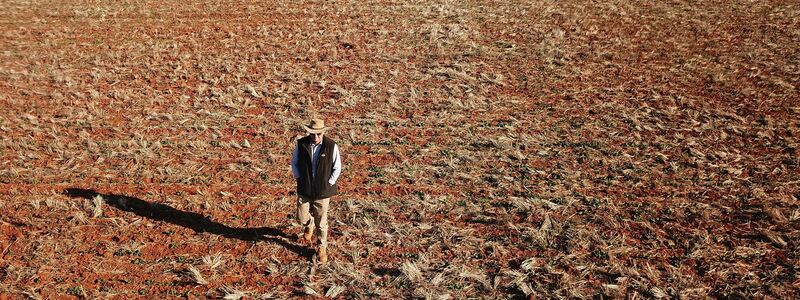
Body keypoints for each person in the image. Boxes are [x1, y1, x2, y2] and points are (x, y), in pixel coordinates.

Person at [290, 118, 341, 263]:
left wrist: (328, 183)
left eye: (319, 134)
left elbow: (337, 167)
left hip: (322, 192)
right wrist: (299, 177)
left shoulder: (331, 146)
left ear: (323, 132)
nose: (316, 137)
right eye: (313, 134)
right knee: (301, 216)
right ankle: (308, 224)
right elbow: (294, 162)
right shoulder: (301, 144)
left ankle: (321, 247)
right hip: (304, 188)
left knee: (322, 223)